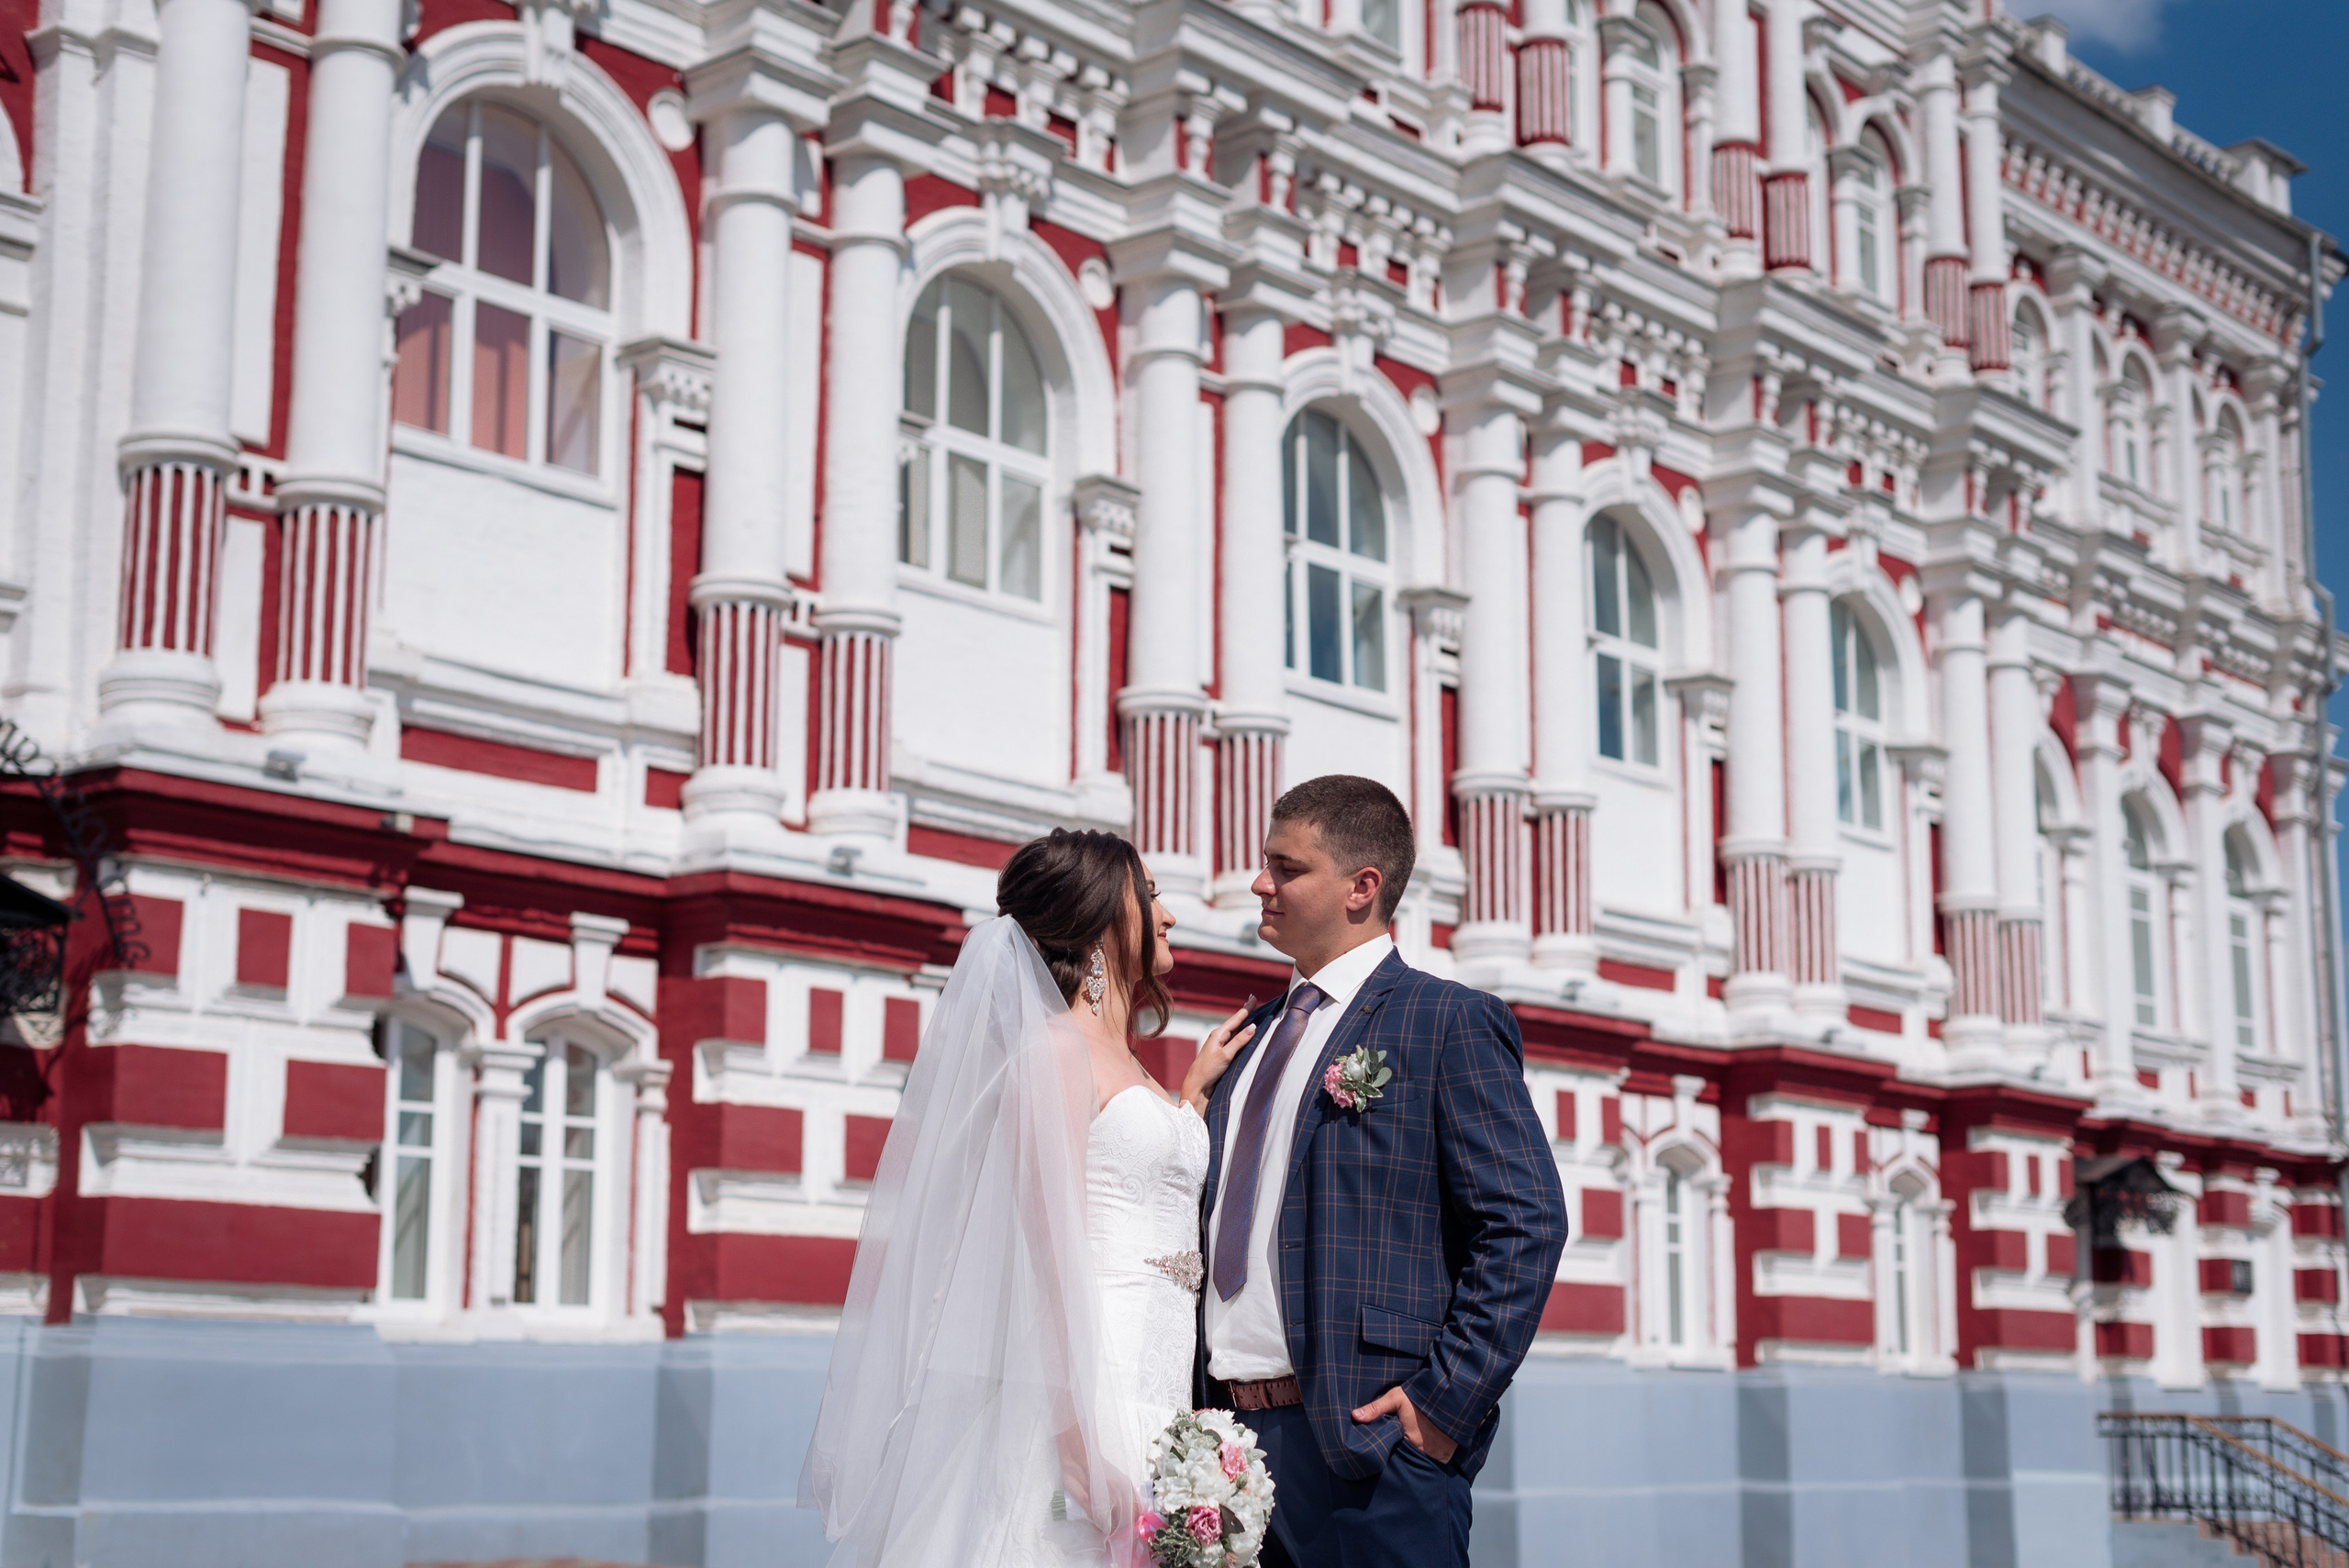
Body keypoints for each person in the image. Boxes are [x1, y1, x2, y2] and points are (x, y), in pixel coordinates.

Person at [800, 828, 1259, 1567]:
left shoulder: (1132, 1063)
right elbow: (1045, 1261)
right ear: (1103, 918)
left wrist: (1189, 1101)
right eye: (1151, 895)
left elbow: (1138, 1175)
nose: (1168, 915)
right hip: (1088, 1394)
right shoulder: (1052, 1050)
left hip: (1164, 1390)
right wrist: (1075, 1448)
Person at [1195, 775, 1568, 1568]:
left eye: (1285, 866)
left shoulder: (1446, 1020)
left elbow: (1526, 1221)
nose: (1259, 883)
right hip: (1223, 1452)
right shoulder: (1250, 1036)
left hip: (1369, 1451)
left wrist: (1441, 1404)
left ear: (1362, 886)